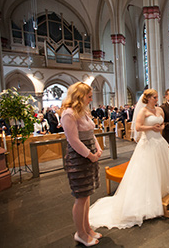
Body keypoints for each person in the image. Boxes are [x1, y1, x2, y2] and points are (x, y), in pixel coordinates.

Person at [89, 89, 169, 229]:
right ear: (148, 98)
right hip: (149, 143)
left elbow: (163, 124)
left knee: (163, 169)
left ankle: (163, 194)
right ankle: (149, 201)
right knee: (149, 172)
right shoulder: (143, 111)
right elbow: (138, 127)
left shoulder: (159, 110)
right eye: (155, 97)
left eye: (157, 97)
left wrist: (161, 127)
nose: (157, 99)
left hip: (160, 142)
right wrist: (152, 127)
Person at [60, 82, 103, 247]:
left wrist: (98, 150)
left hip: (89, 155)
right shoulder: (68, 114)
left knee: (87, 195)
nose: (91, 99)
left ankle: (87, 229)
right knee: (80, 197)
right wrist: (90, 155)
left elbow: (92, 135)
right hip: (78, 159)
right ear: (79, 96)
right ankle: (81, 233)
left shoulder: (83, 111)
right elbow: (74, 140)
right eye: (89, 96)